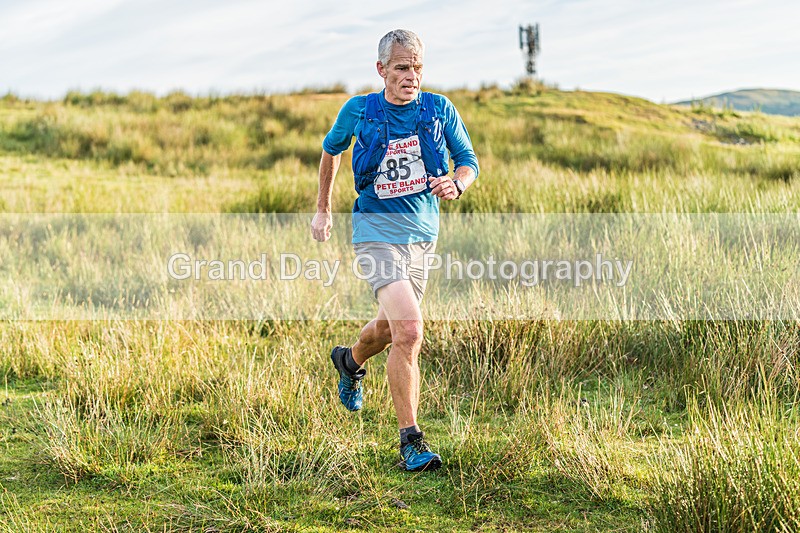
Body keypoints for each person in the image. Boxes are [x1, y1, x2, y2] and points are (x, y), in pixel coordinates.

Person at [311, 29, 479, 472]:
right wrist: (323, 209)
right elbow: (330, 151)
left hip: (422, 236)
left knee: (388, 330)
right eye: (402, 67)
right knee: (410, 330)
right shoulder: (359, 110)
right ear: (381, 69)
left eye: (417, 67)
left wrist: (457, 182)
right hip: (374, 232)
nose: (411, 76)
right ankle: (411, 443)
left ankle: (349, 361)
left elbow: (468, 162)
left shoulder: (439, 109)